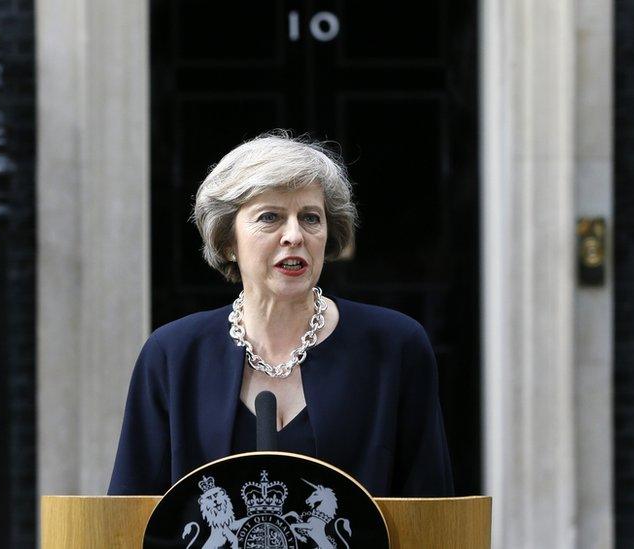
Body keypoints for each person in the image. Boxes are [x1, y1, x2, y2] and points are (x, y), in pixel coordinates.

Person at [108, 132, 453, 497]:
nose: (295, 235)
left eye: (310, 218)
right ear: (228, 242)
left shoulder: (396, 346)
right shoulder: (172, 354)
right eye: (270, 217)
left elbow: (429, 512)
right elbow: (130, 514)